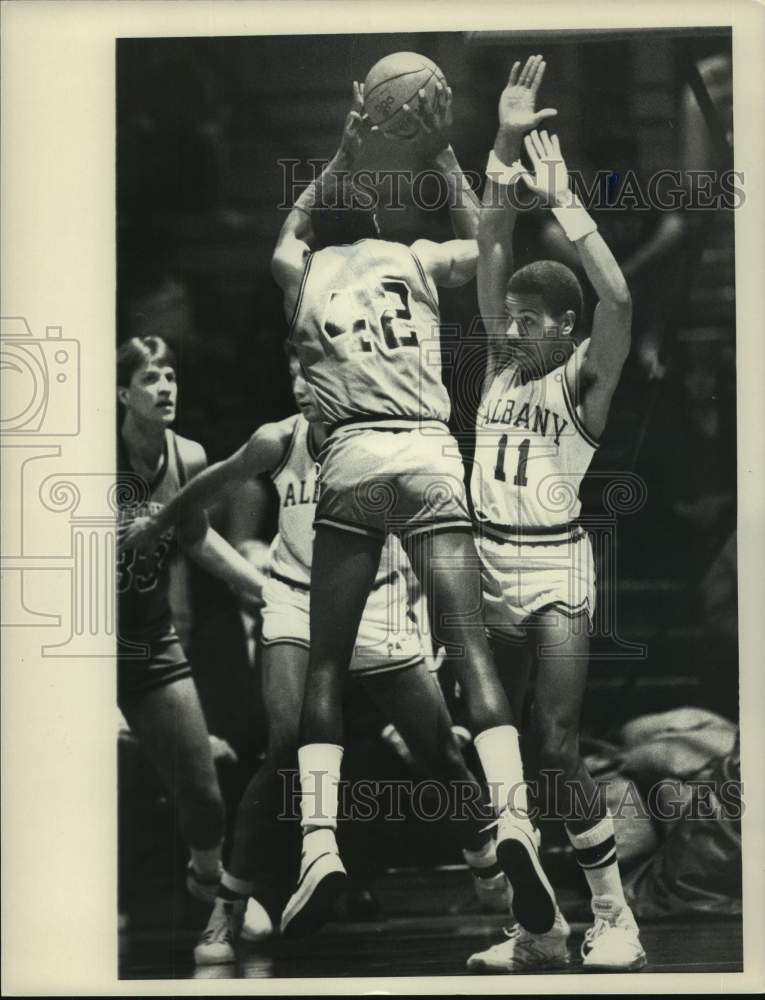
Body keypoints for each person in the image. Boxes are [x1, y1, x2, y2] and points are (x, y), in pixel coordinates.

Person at [270, 78, 557, 940]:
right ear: (385, 222)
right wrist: (440, 156)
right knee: (469, 651)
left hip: (354, 459)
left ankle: (319, 845)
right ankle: (511, 818)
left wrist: (345, 143)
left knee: (325, 665)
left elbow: (289, 226)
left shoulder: (301, 269)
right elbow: (492, 242)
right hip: (431, 451)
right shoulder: (420, 258)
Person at [123, 347, 506, 962]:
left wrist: (430, 617)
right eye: (296, 374)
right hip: (296, 601)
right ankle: (227, 910)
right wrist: (162, 517)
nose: (304, 385)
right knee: (282, 750)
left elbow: (432, 531)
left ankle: (489, 865)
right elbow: (214, 480)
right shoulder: (279, 438)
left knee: (439, 750)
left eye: (317, 375)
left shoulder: (389, 438)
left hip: (378, 602)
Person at [465, 57, 646, 971]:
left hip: (552, 567)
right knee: (485, 744)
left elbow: (617, 297)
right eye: (515, 315)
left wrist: (566, 202)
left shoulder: (584, 381)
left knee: (555, 745)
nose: (516, 324)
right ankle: (538, 930)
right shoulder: (500, 363)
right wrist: (501, 139)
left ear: (564, 333)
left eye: (535, 318)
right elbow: (491, 236)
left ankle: (614, 917)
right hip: (481, 562)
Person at [116, 335, 265, 904]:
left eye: (171, 377)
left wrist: (268, 590)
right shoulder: (86, 458)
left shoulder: (190, 457)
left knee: (205, 799)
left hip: (152, 642)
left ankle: (210, 887)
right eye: (152, 379)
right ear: (122, 394)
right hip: (81, 651)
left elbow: (199, 539)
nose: (165, 388)